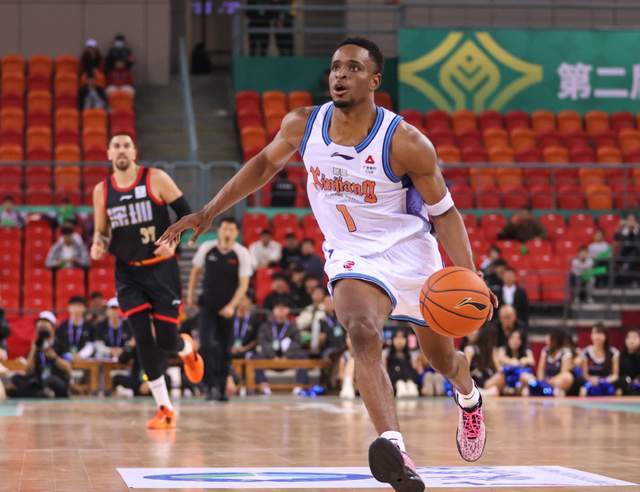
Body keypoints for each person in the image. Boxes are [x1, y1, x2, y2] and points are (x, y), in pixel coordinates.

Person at [158, 37, 498, 488]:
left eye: (354, 68)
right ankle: (394, 448)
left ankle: (469, 396)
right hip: (351, 254)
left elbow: (445, 213)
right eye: (337, 66)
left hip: (411, 253)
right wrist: (208, 211)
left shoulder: (407, 142)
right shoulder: (303, 124)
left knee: (443, 359)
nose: (341, 74)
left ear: (374, 80)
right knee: (361, 332)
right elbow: (262, 165)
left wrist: (471, 272)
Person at [90, 134, 204, 429]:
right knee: (142, 337)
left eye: (126, 145)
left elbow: (187, 214)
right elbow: (102, 231)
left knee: (166, 340)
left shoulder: (155, 179)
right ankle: (164, 408)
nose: (121, 150)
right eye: (116, 146)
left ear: (134, 152)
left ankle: (186, 348)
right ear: (108, 154)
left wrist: (174, 242)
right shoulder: (102, 190)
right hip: (128, 273)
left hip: (161, 270)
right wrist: (98, 243)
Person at [187, 217, 252, 401]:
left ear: (236, 233)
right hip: (207, 305)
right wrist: (190, 294)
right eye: (224, 228)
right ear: (219, 231)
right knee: (206, 344)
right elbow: (195, 272)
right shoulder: (207, 247)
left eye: (231, 229)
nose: (227, 232)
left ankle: (222, 388)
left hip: (227, 308)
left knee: (225, 348)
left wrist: (232, 306)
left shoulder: (241, 253)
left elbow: (243, 285)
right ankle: (209, 386)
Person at [8, 312, 71, 398]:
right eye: (40, 325)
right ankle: (42, 393)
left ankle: (40, 393)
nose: (42, 327)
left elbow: (68, 368)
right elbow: (28, 370)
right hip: (39, 381)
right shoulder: (36, 344)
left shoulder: (61, 343)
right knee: (16, 379)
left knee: (52, 381)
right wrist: (33, 351)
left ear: (53, 326)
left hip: (56, 378)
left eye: (45, 324)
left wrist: (55, 358)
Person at [254, 299, 308, 395]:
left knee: (302, 356)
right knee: (256, 356)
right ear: (273, 310)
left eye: (283, 308)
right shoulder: (266, 326)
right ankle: (263, 385)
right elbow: (263, 342)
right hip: (270, 357)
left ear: (288, 310)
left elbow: (296, 343)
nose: (280, 311)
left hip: (288, 358)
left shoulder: (292, 327)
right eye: (278, 308)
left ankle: (299, 386)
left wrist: (286, 356)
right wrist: (272, 356)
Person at [522, 329, 574, 397]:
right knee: (524, 375)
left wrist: (551, 381)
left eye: (550, 339)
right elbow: (540, 369)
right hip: (544, 381)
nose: (547, 342)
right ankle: (539, 388)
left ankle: (549, 390)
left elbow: (564, 372)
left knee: (568, 376)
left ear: (556, 340)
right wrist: (541, 381)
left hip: (556, 382)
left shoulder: (566, 353)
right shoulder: (546, 350)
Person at [579, 323, 620, 396]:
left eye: (600, 333)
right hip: (591, 382)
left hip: (607, 382)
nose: (597, 336)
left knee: (616, 391)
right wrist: (591, 379)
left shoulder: (613, 352)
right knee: (583, 390)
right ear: (591, 335)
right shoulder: (586, 352)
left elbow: (615, 375)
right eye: (594, 333)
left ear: (606, 336)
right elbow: (585, 375)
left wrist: (603, 381)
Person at [463, 325, 503, 396]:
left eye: (474, 331)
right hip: (476, 381)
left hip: (486, 379)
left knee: (500, 379)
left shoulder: (488, 350)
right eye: (470, 331)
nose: (471, 334)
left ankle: (481, 392)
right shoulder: (469, 349)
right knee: (500, 379)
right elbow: (465, 371)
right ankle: (476, 392)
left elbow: (498, 369)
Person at [496, 329, 535, 395]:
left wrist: (524, 360)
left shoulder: (526, 351)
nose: (515, 341)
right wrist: (511, 361)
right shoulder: (502, 350)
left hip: (521, 382)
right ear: (508, 339)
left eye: (518, 338)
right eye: (512, 338)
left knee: (525, 391)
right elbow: (501, 359)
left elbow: (532, 361)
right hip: (505, 382)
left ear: (521, 341)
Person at [384, 329, 420, 398]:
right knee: (400, 385)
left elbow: (415, 372)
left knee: (411, 387)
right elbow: (385, 374)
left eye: (402, 337)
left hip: (409, 382)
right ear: (392, 340)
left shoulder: (411, 356)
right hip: (394, 384)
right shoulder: (386, 356)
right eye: (397, 338)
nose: (399, 341)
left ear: (406, 340)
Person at [296, 286, 327, 354]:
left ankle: (315, 354)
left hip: (320, 333)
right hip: (308, 333)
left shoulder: (326, 308)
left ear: (323, 295)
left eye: (319, 293)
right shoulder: (308, 309)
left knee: (319, 335)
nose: (317, 295)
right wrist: (309, 321)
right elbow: (299, 324)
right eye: (315, 293)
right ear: (312, 295)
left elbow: (325, 322)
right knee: (299, 336)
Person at [615, 213, 640, 285]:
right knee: (622, 251)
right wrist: (619, 228)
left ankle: (625, 268)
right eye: (629, 220)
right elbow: (617, 238)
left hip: (636, 251)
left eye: (632, 220)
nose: (631, 222)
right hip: (624, 251)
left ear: (635, 221)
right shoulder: (623, 230)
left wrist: (635, 230)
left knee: (633, 256)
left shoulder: (638, 229)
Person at [618, 329, 640, 395]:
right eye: (628, 337)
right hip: (625, 388)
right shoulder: (620, 356)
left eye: (634, 337)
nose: (631, 341)